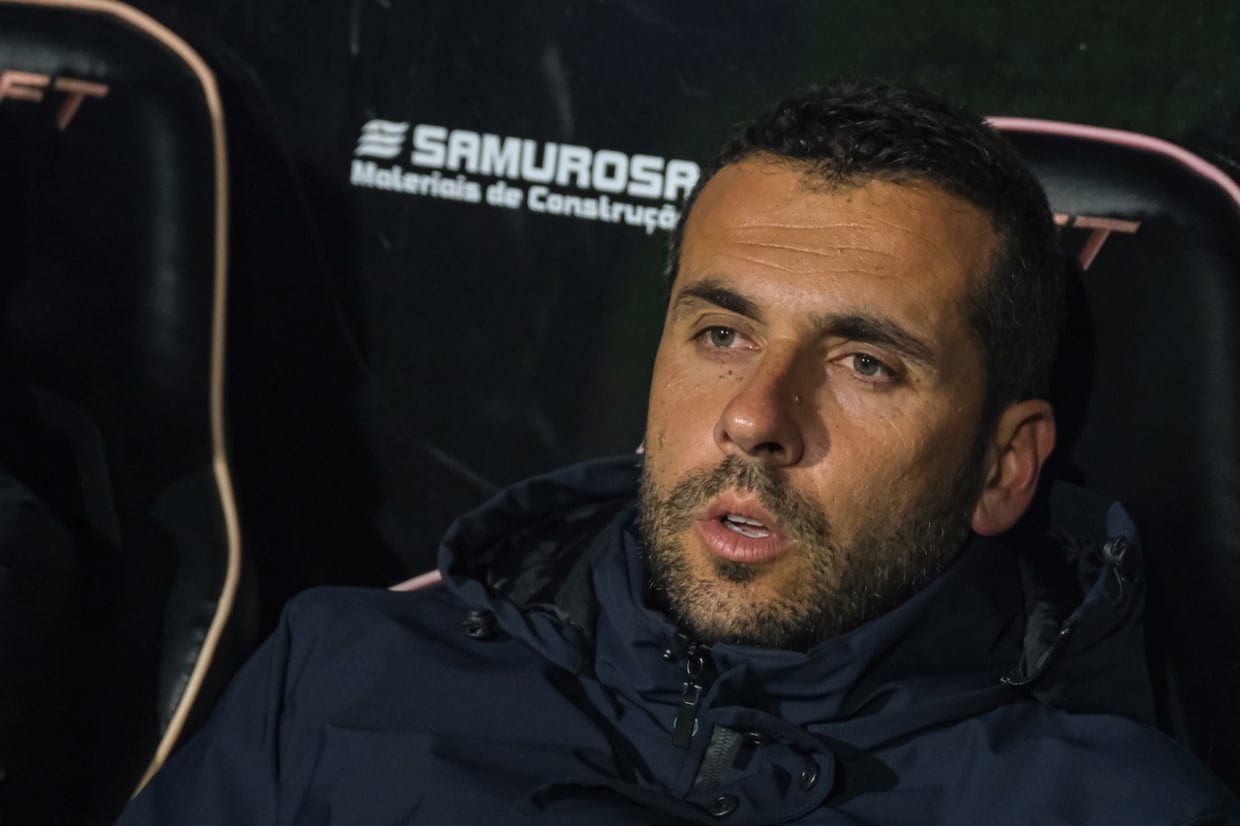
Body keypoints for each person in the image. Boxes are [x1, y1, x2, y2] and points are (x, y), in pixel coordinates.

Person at [117, 79, 1240, 825]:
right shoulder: (339, 675)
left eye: (864, 363)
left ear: (1003, 469)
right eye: (721, 335)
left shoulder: (1113, 809)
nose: (755, 417)